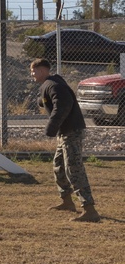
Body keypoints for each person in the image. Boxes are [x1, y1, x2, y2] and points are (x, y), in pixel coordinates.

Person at [33, 58, 100, 223]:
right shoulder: (50, 84)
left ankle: (90, 210)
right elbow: (48, 101)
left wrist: (51, 127)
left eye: (34, 71)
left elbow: (63, 105)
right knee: (59, 166)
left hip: (71, 132)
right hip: (65, 133)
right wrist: (42, 100)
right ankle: (67, 202)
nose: (32, 74)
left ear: (42, 71)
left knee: (74, 169)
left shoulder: (53, 85)